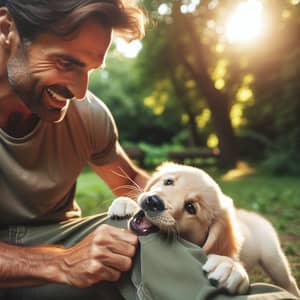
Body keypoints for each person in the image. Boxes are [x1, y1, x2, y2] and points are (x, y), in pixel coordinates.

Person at [0, 1, 297, 299]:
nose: (79, 91)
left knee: (133, 227)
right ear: (6, 29)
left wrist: (218, 238)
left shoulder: (86, 114)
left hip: (57, 240)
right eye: (66, 63)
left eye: (89, 69)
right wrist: (61, 263)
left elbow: (135, 186)